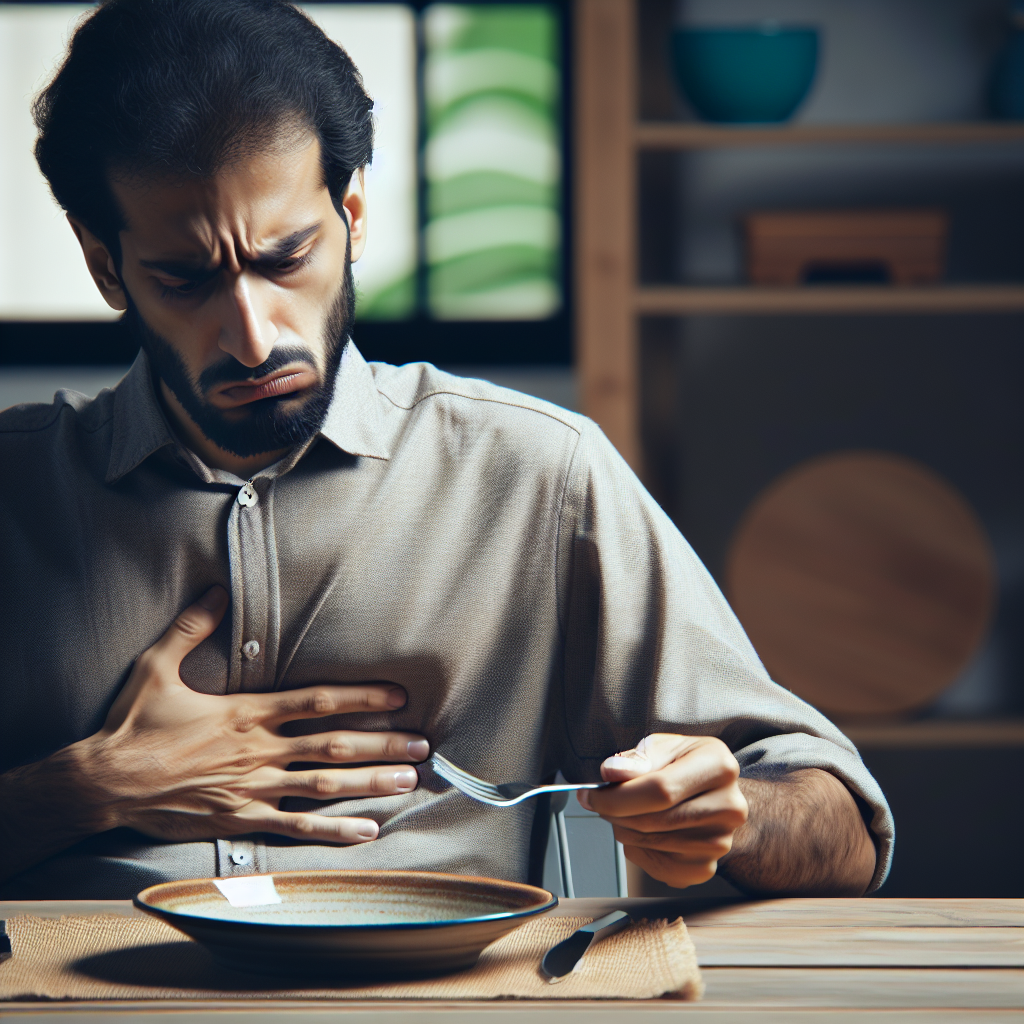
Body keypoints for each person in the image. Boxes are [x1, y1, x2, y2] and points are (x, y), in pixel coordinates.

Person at [0, 0, 891, 899]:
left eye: (287, 257)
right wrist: (87, 789)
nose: (252, 336)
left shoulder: (537, 476)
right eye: (185, 278)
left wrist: (728, 812)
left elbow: (847, 833)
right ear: (106, 265)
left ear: (350, 213)